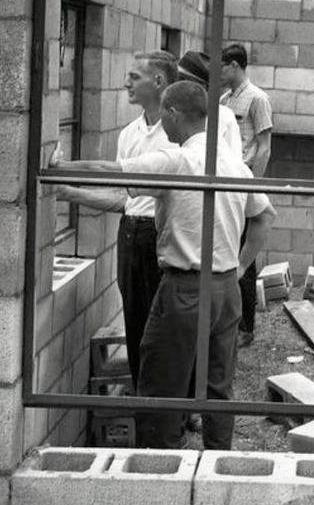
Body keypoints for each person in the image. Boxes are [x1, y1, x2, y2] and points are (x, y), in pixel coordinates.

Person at [51, 81, 276, 450]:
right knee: (218, 385)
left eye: (165, 116)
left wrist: (58, 169)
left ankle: (162, 465)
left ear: (173, 113)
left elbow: (111, 170)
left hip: (185, 289)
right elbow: (265, 217)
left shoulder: (177, 160)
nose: (162, 125)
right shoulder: (236, 166)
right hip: (225, 290)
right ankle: (220, 463)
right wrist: (239, 267)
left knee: (160, 383)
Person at [52, 50, 178, 389]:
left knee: (165, 325)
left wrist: (63, 171)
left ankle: (176, 407)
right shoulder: (129, 134)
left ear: (158, 81)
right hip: (132, 235)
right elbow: (126, 200)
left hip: (162, 235)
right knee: (135, 321)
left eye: (134, 76)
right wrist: (69, 193)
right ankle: (143, 399)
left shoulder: (176, 134)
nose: (126, 83)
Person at [219, 43, 274, 346]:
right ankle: (228, 322)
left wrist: (252, 190)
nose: (220, 71)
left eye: (223, 65)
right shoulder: (225, 100)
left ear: (236, 66)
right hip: (225, 188)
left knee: (245, 259)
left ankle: (246, 328)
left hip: (243, 187)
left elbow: (264, 148)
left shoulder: (258, 99)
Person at [175, 50, 243, 159]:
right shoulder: (170, 111)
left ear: (202, 86)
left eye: (182, 79)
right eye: (176, 78)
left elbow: (234, 163)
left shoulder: (222, 116)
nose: (176, 84)